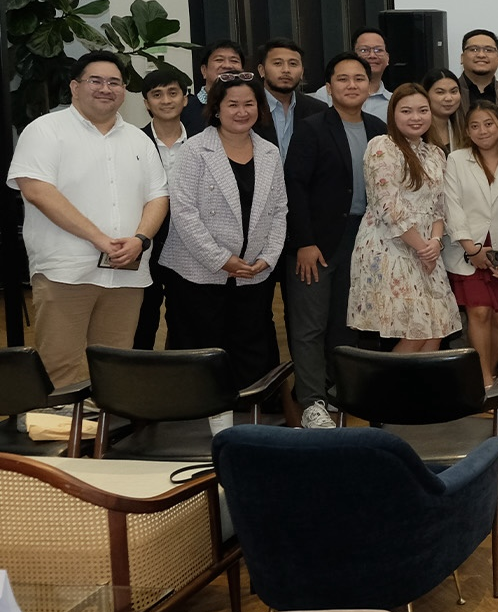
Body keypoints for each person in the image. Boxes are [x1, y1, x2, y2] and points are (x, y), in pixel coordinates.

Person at [7, 52, 168, 390]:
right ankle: (53, 438)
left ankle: (103, 439)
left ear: (124, 91)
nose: (105, 89)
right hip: (66, 271)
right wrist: (99, 238)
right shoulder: (46, 130)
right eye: (95, 80)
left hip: (126, 272)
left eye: (114, 82)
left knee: (114, 366)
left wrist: (139, 239)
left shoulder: (139, 139)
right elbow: (37, 191)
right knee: (58, 366)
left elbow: (158, 197)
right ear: (75, 87)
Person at [159, 73, 286, 402]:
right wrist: (221, 260)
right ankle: (194, 422)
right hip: (197, 273)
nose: (242, 111)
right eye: (233, 104)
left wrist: (268, 258)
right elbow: (184, 213)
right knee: (201, 351)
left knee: (252, 349)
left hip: (251, 272)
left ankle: (253, 421)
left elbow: (279, 210)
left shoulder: (269, 152)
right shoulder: (195, 150)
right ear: (216, 109)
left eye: (249, 104)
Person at [283, 53, 387, 427]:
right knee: (310, 324)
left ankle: (335, 390)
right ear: (329, 87)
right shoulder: (312, 128)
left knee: (347, 324)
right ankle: (310, 400)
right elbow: (293, 185)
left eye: (359, 78)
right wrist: (304, 242)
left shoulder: (378, 127)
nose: (352, 85)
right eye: (342, 79)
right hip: (318, 242)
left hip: (365, 241)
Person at [347, 85, 462, 352]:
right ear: (393, 114)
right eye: (406, 111)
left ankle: (416, 393)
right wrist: (424, 248)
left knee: (437, 327)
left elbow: (439, 207)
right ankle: (389, 394)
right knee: (416, 332)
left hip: (427, 249)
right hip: (390, 246)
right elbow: (388, 208)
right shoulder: (382, 146)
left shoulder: (435, 153)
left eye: (422, 110)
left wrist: (435, 242)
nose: (416, 117)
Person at [444, 103, 498, 386]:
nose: (482, 131)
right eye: (474, 125)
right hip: (467, 251)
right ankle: (483, 380)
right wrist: (472, 249)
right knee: (480, 312)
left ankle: (489, 372)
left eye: (488, 124)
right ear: (467, 131)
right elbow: (452, 205)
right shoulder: (457, 160)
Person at [134, 64, 190, 351]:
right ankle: (139, 385)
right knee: (143, 318)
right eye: (157, 94)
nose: (166, 100)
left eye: (173, 92)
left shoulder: (204, 139)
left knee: (185, 319)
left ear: (185, 98)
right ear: (146, 103)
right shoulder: (133, 142)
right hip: (146, 242)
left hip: (190, 245)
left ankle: (179, 381)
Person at [256, 38, 323, 158]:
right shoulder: (249, 108)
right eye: (277, 63)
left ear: (302, 72)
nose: (286, 70)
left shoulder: (318, 109)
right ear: (262, 70)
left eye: (293, 64)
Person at [313, 28, 391, 120]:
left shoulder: (395, 102)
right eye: (364, 50)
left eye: (378, 50)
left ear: (388, 58)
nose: (372, 55)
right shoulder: (325, 94)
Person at [179, 39, 249, 134]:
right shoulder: (184, 109)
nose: (227, 66)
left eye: (234, 61)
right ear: (204, 70)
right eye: (219, 60)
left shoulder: (252, 108)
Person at [457, 29, 498, 115]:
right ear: (462, 58)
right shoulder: (448, 95)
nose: (481, 55)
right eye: (474, 49)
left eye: (488, 50)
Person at [422, 68, 466, 155]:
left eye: (454, 92)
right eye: (440, 92)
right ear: (425, 95)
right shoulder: (417, 131)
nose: (449, 98)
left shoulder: (465, 130)